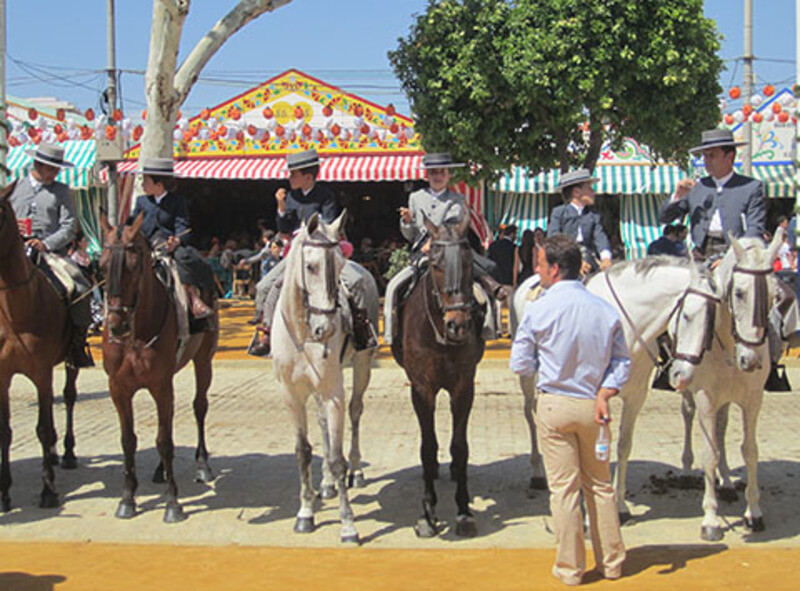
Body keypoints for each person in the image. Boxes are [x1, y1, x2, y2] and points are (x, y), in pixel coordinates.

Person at [510, 234, 630, 586]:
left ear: (555, 269)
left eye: (540, 265)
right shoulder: (605, 310)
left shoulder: (538, 309)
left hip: (555, 404)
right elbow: (622, 362)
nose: (536, 271)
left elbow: (520, 364)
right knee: (601, 486)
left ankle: (571, 568)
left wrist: (547, 363)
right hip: (595, 405)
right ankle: (612, 563)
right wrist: (605, 391)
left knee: (563, 490)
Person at [248, 149, 377, 356]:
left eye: (293, 174)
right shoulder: (291, 197)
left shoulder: (326, 196)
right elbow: (284, 228)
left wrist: (308, 233)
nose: (290, 178)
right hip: (296, 253)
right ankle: (267, 332)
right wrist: (281, 206)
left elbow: (328, 224)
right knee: (265, 287)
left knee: (354, 281)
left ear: (308, 177)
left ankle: (360, 329)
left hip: (322, 252)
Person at [383, 152, 509, 345]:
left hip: (450, 251)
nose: (438, 176)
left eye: (442, 172)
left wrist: (433, 241)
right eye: (433, 172)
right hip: (422, 254)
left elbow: (452, 226)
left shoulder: (457, 199)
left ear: (449, 175)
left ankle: (489, 326)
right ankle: (390, 332)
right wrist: (407, 222)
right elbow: (410, 235)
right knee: (394, 286)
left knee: (479, 289)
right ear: (427, 176)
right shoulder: (415, 197)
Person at [8, 142, 94, 367]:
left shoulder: (62, 191)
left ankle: (77, 344)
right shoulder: (15, 188)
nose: (55, 172)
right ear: (38, 164)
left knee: (80, 288)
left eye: (57, 168)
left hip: (50, 253)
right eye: (52, 167)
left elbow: (68, 226)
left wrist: (45, 244)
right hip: (15, 251)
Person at [129, 157, 216, 322]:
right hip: (145, 245)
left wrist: (176, 241)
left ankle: (193, 298)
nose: (142, 184)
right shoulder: (141, 201)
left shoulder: (177, 201)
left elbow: (183, 226)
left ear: (159, 184)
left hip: (169, 245)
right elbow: (132, 225)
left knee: (184, 257)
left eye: (146, 180)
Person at [659, 129, 765, 259]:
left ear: (730, 156)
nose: (706, 161)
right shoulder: (697, 187)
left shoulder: (750, 187)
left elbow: (755, 228)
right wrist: (677, 196)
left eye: (712, 156)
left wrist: (735, 256)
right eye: (705, 156)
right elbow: (665, 218)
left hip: (734, 252)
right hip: (700, 253)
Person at [547, 169, 613, 274]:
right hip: (565, 261)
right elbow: (554, 239)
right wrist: (575, 261)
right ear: (576, 192)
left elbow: (600, 236)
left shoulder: (593, 215)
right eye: (589, 188)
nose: (593, 192)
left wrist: (606, 257)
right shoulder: (559, 213)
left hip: (589, 259)